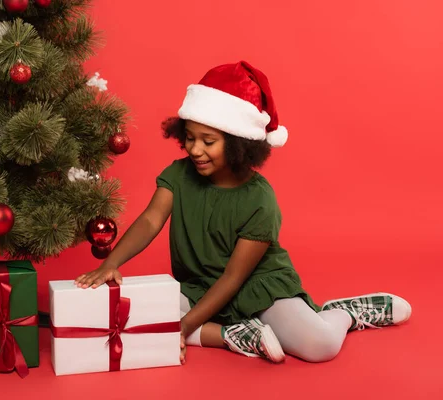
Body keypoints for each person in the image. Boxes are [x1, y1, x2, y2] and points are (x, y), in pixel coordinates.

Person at [74, 61, 412, 364]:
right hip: (197, 286)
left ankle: (343, 314)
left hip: (257, 288)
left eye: (208, 141)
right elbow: (149, 220)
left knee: (319, 346)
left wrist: (183, 328)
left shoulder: (260, 199)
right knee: (133, 316)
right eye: (189, 137)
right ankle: (234, 335)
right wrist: (110, 264)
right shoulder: (178, 175)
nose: (194, 149)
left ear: (238, 144)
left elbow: (234, 278)